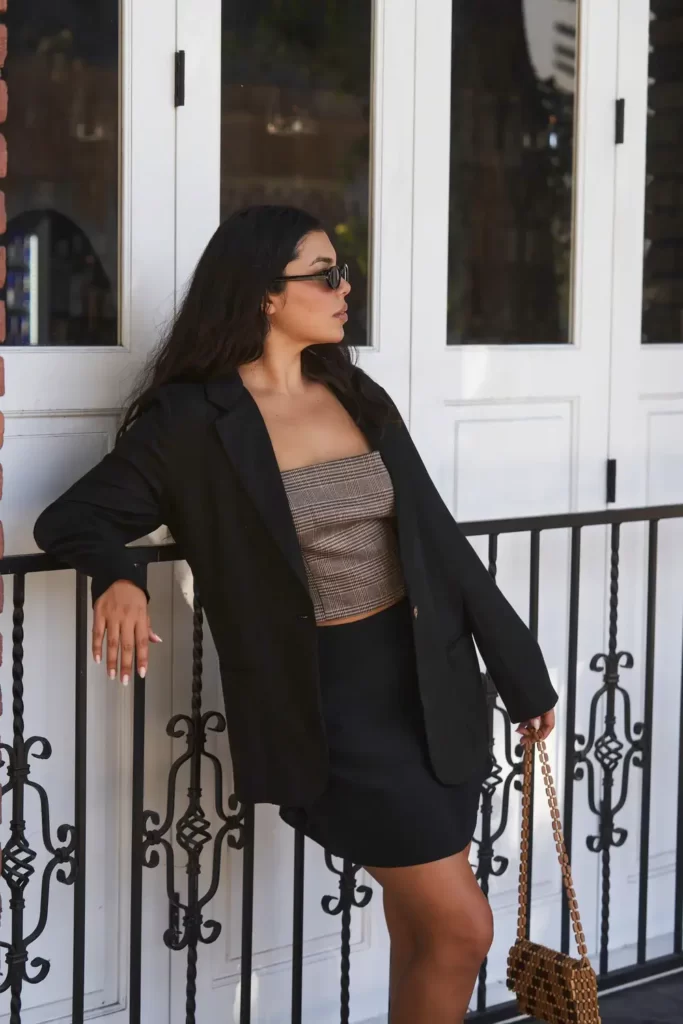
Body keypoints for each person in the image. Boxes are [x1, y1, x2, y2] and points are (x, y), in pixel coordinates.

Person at [33, 205, 557, 1023]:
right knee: (463, 928)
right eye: (325, 274)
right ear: (264, 295)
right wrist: (119, 578)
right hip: (330, 707)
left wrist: (521, 673)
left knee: (423, 926)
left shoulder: (353, 390)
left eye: (341, 271)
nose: (345, 287)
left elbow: (439, 542)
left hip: (431, 684)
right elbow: (72, 518)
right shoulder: (191, 423)